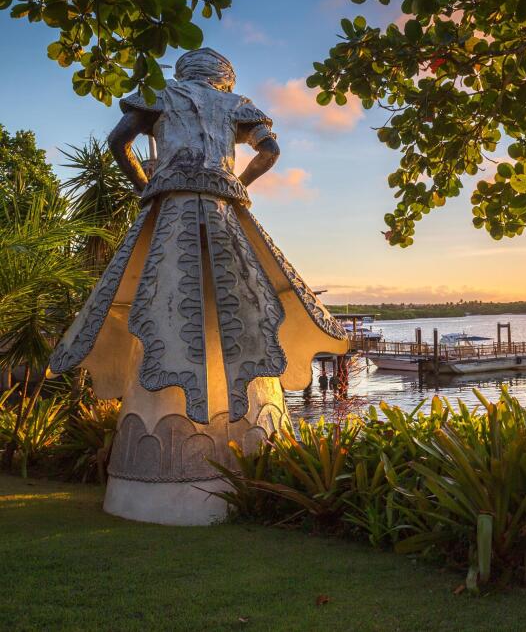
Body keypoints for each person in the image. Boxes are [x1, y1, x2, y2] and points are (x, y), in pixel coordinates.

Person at [47, 49, 348, 523]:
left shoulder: (159, 95)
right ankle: (249, 464)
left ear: (184, 72)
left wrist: (144, 182)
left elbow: (118, 141)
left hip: (169, 207)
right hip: (223, 207)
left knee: (163, 302)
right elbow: (270, 152)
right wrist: (235, 179)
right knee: (241, 304)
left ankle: (156, 478)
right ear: (224, 78)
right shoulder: (235, 104)